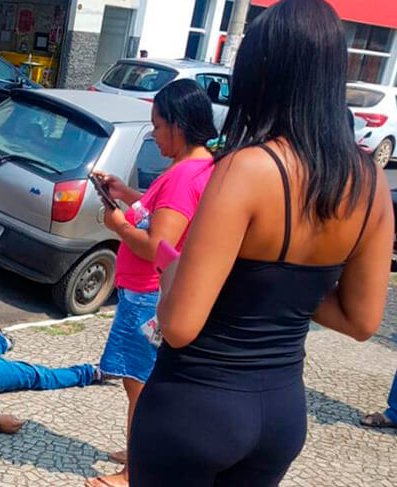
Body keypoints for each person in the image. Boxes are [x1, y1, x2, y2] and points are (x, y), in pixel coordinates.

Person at [128, 1, 393, 486]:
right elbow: (362, 320)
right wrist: (279, 292)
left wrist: (175, 271)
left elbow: (180, 325)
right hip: (281, 412)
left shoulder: (246, 169)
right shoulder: (371, 182)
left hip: (196, 405)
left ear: (260, 74)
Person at [85, 79, 218, 487]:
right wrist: (126, 194)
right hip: (154, 292)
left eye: (158, 126)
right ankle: (142, 453)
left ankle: (134, 472)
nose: (155, 135)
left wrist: (118, 224)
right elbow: (164, 218)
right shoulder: (198, 167)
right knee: (146, 382)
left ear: (178, 125)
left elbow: (155, 244)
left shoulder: (181, 177)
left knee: (138, 384)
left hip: (146, 295)